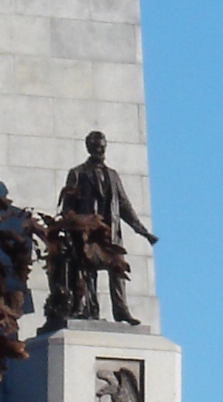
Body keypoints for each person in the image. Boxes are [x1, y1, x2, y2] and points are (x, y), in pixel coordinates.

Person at [58, 130, 156, 324]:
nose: (100, 150)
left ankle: (121, 311)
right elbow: (67, 207)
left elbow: (124, 204)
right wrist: (78, 224)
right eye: (96, 147)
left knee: (118, 268)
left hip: (111, 233)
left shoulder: (112, 175)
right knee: (88, 272)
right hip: (89, 233)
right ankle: (89, 310)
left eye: (102, 147)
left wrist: (142, 230)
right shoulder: (77, 173)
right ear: (89, 148)